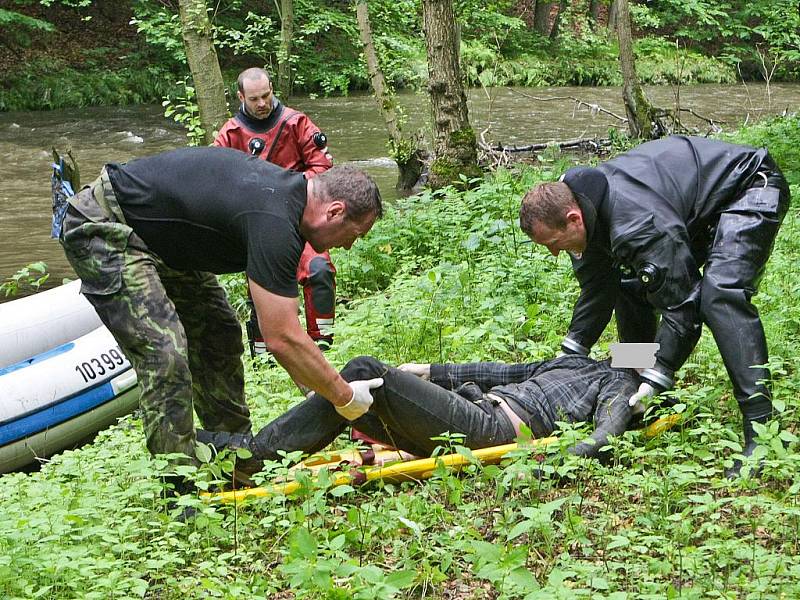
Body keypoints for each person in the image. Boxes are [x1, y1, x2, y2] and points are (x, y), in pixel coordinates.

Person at [58, 146, 383, 490]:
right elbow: (282, 338)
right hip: (106, 225)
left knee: (219, 333)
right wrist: (342, 398)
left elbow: (283, 330)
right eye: (355, 235)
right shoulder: (274, 221)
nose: (349, 246)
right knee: (165, 354)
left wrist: (317, 391)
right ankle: (178, 489)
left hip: (165, 241)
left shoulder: (287, 209)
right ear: (335, 211)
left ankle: (236, 461)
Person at [518, 135, 790, 477]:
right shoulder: (583, 212)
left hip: (749, 185)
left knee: (720, 294)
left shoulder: (635, 224)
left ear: (574, 219)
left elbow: (682, 307)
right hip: (693, 208)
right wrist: (570, 354)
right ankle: (641, 390)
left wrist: (659, 374)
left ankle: (761, 429)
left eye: (555, 244)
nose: (554, 253)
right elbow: (598, 289)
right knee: (631, 285)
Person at [198, 353, 638, 464]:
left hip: (493, 428)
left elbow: (608, 428)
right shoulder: (575, 363)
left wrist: (562, 458)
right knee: (353, 386)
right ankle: (248, 455)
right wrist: (431, 370)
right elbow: (502, 371)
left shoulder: (618, 381)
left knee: (365, 371)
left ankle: (250, 454)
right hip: (474, 409)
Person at [215, 67, 337, 352]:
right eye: (254, 98)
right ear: (241, 97)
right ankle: (263, 352)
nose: (262, 104)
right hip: (257, 223)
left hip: (300, 215)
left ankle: (322, 343)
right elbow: (217, 177)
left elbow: (322, 168)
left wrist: (290, 188)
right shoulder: (230, 134)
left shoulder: (296, 123)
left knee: (319, 270)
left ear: (272, 90)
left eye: (266, 96)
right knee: (262, 287)